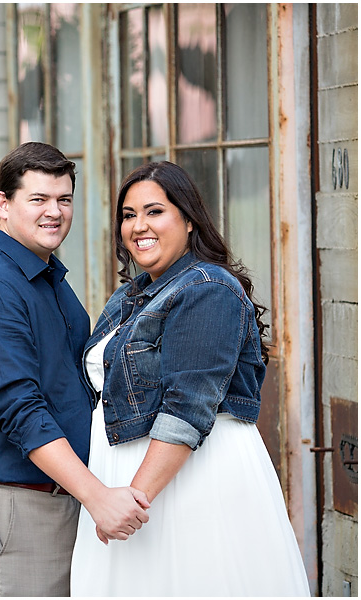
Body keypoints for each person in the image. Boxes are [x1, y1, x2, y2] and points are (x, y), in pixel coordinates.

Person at [70, 161, 310, 596]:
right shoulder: (134, 292)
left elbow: (186, 408)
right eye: (128, 215)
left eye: (154, 211)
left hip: (185, 483)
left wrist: (130, 502)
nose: (138, 226)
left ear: (189, 218)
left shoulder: (207, 289)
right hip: (130, 482)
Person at [0, 142, 150, 597]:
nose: (54, 212)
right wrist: (97, 497)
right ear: (3, 204)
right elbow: (21, 410)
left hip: (59, 500)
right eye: (38, 199)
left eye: (64, 199)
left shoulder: (46, 278)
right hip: (16, 510)